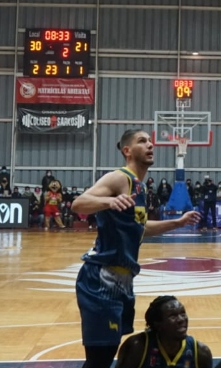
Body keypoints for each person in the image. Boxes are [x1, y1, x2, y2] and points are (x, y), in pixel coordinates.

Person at [71, 129, 201, 368]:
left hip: (123, 280)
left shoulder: (139, 188)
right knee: (99, 360)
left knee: (108, 352)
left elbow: (140, 228)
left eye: (150, 141)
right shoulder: (119, 178)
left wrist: (178, 222)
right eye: (143, 141)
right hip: (101, 278)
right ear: (127, 151)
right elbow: (78, 203)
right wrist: (108, 201)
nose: (150, 145)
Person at [114, 295, 221, 368]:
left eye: (182, 313)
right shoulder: (138, 346)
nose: (181, 319)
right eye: (173, 316)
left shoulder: (200, 352)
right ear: (158, 324)